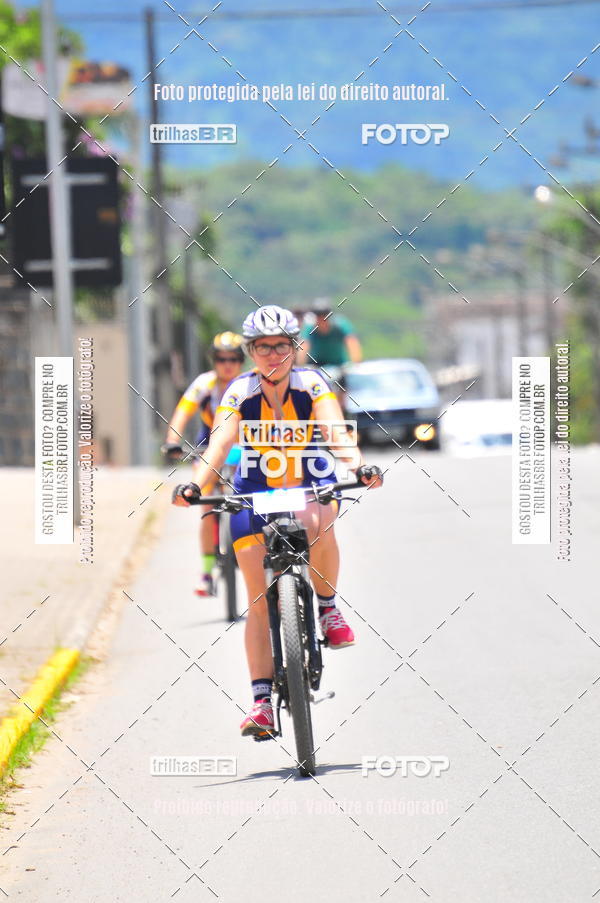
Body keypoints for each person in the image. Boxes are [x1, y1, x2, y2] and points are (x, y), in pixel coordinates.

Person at [172, 305, 383, 738]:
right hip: (255, 486)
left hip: (307, 478)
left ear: (294, 348)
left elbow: (334, 431)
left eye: (282, 346)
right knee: (255, 597)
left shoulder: (313, 384)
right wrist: (195, 484)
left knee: (321, 514)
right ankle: (262, 701)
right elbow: (221, 441)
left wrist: (358, 465)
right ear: (251, 352)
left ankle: (327, 608)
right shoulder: (239, 391)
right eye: (264, 348)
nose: (273, 355)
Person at [163, 332, 245, 596]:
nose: (227, 364)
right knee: (206, 504)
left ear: (241, 360)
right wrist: (172, 439)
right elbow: (183, 410)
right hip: (209, 444)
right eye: (221, 359)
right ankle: (207, 572)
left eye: (233, 358)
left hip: (246, 443)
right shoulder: (205, 383)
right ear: (214, 360)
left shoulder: (249, 383)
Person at [297, 297, 363, 368]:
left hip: (339, 366)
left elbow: (352, 341)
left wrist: (356, 364)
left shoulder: (340, 324)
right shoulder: (309, 327)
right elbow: (304, 346)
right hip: (316, 365)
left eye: (325, 315)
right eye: (318, 315)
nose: (322, 319)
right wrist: (301, 367)